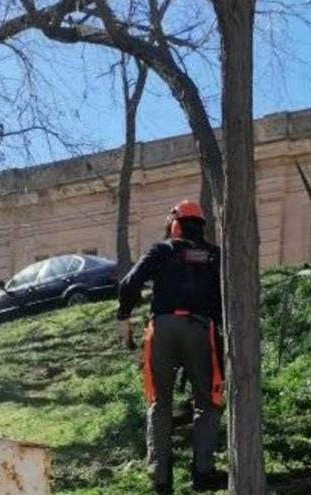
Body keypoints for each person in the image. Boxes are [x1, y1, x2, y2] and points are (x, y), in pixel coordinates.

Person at [117, 199, 224, 494]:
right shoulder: (215, 256)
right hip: (202, 329)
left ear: (175, 224)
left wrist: (124, 319)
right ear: (201, 226)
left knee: (159, 404)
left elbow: (128, 284)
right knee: (207, 403)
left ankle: (160, 480)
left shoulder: (162, 249)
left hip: (161, 330)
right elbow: (225, 302)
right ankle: (203, 474)